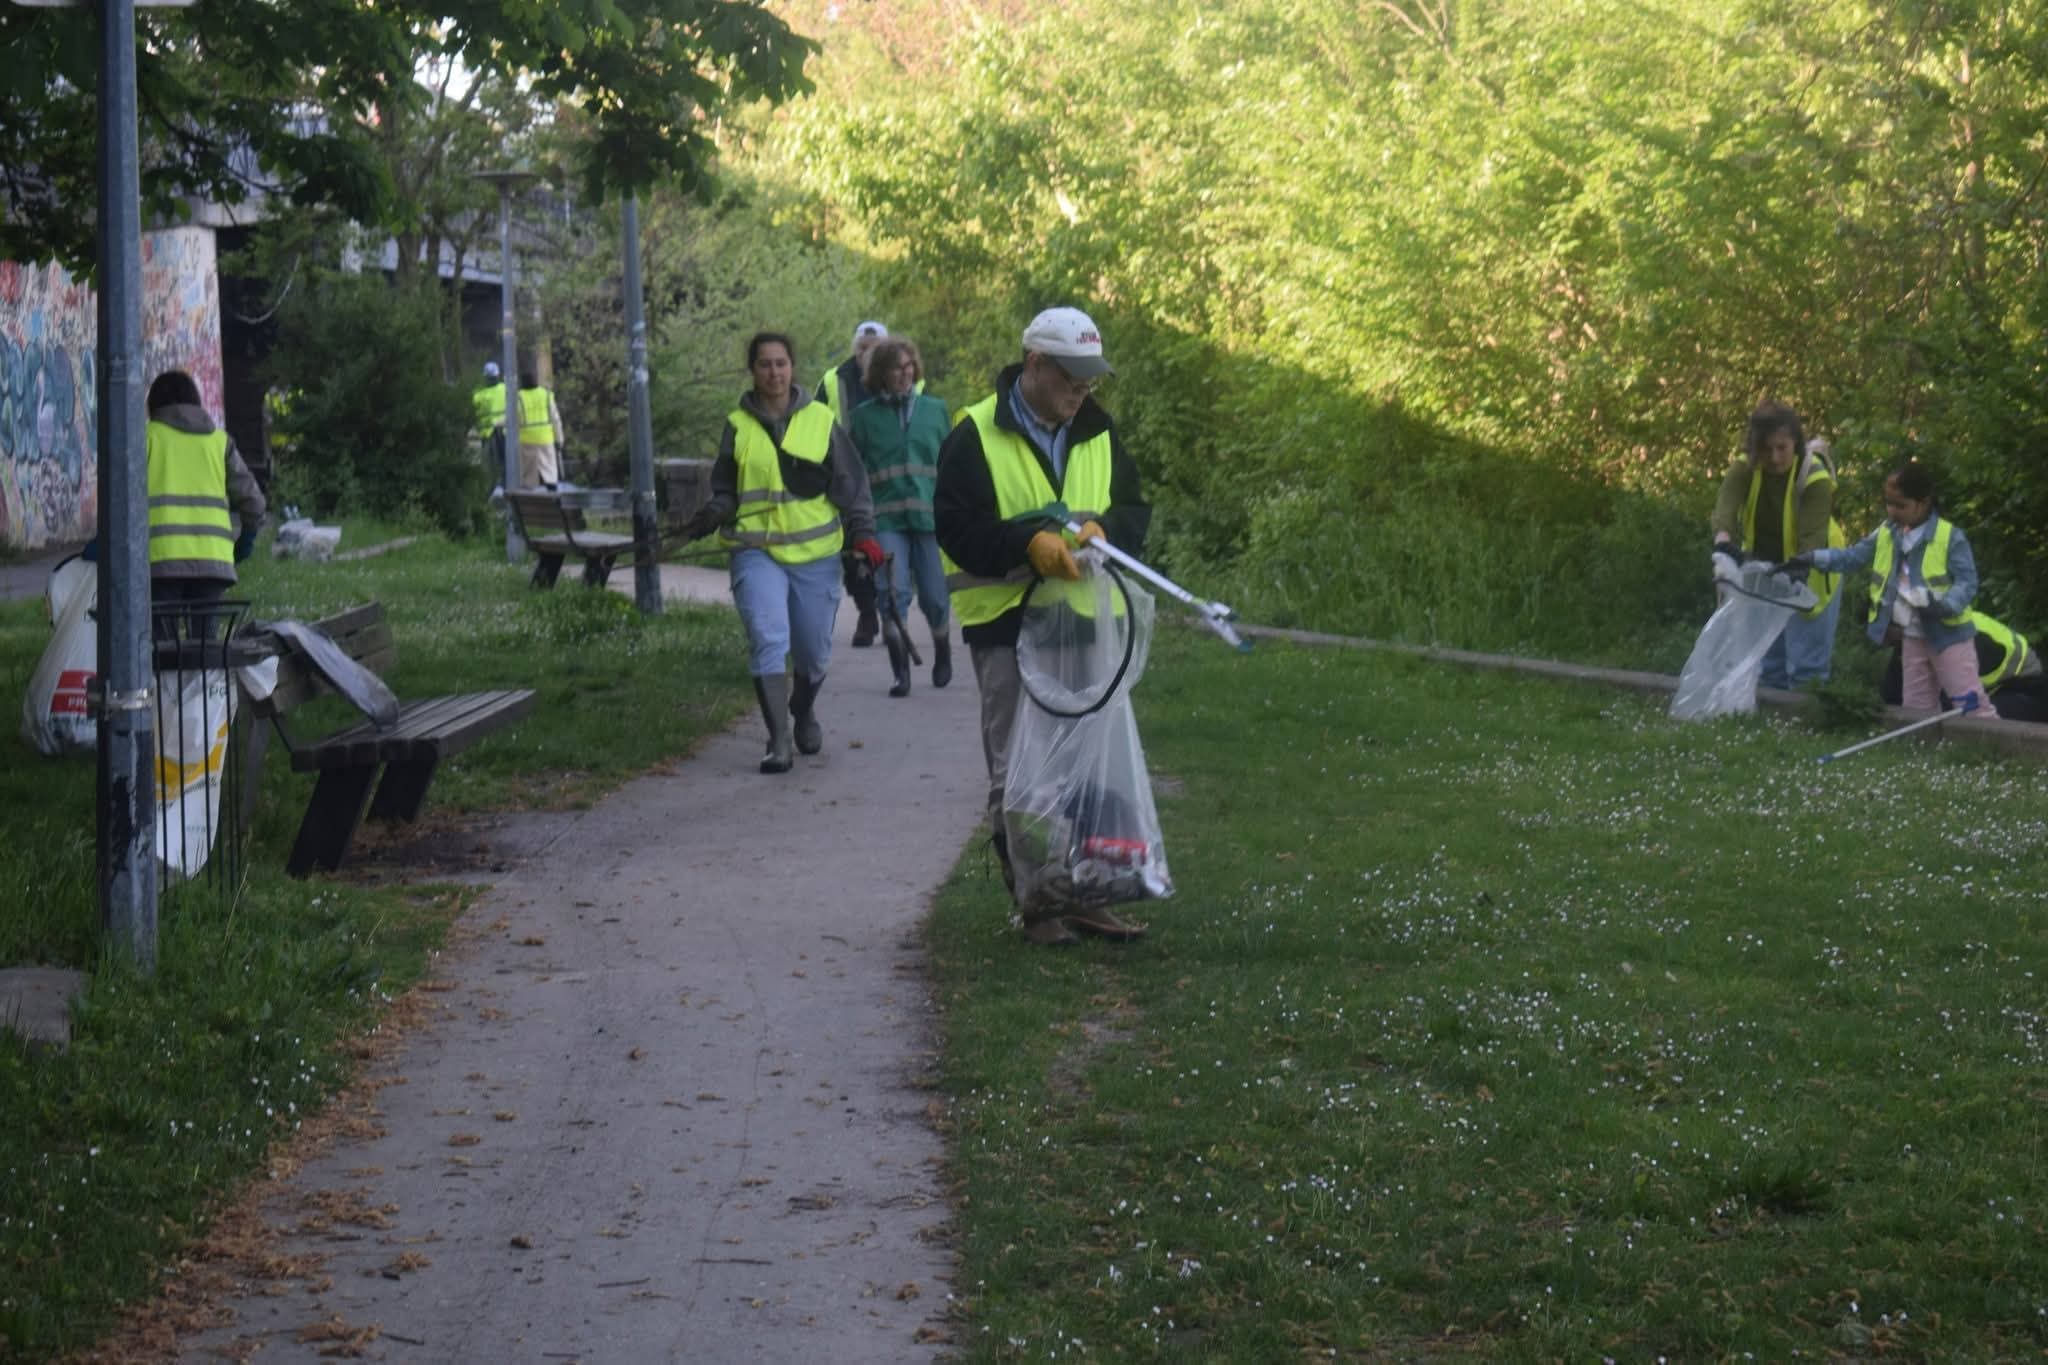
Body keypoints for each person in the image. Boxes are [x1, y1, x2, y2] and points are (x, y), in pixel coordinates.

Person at [934, 306, 1151, 946]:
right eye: (1071, 377)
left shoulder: (1099, 431)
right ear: (1035, 364)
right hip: (1005, 624)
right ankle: (1040, 905)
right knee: (1021, 772)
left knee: (1091, 766)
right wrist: (1024, 545)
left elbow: (1134, 508)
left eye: (1090, 378)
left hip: (1084, 621)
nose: (1082, 390)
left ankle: (1092, 894)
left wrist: (1109, 530)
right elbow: (955, 529)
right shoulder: (974, 434)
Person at [680, 332, 882, 773]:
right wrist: (713, 512)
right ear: (752, 370)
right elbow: (726, 488)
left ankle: (803, 710)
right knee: (768, 638)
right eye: (765, 364)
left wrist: (864, 534)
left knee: (813, 653)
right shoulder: (737, 425)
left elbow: (852, 486)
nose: (774, 372)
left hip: (816, 556)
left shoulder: (821, 420)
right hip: (756, 552)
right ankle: (777, 741)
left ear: (792, 367)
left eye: (781, 363)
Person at [1790, 462, 1998, 718]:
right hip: (1911, 636)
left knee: (1970, 703)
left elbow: (1967, 582)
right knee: (1915, 707)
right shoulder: (1886, 532)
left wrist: (1945, 605)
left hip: (1949, 636)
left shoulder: (1950, 536)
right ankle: (1921, 744)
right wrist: (1813, 558)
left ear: (1923, 503)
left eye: (1901, 505)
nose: (1892, 511)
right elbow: (1853, 557)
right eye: (1888, 503)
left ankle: (1990, 741)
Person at [1709, 403, 1844, 689]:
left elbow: (1812, 535)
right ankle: (1772, 714)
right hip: (1765, 566)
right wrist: (1723, 544)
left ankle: (1806, 714)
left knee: (1807, 666)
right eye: (1766, 449)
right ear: (1754, 447)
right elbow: (1725, 507)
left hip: (1813, 569)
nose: (1774, 457)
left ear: (1796, 442)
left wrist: (1800, 568)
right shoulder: (1746, 466)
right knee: (1768, 661)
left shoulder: (1814, 476)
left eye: (1782, 448)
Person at [848, 338, 954, 696]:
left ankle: (942, 649)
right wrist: (858, 525)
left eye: (909, 366)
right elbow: (854, 474)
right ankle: (901, 672)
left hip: (929, 520)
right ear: (881, 373)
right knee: (891, 594)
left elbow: (950, 464)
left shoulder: (936, 410)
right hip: (886, 521)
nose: (905, 373)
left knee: (936, 596)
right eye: (896, 367)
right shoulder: (863, 418)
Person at [145, 369, 266, 638]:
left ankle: (167, 668)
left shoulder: (146, 439)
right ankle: (204, 668)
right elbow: (253, 501)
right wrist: (247, 537)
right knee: (205, 648)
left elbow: (122, 503)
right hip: (213, 563)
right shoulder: (219, 442)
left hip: (160, 563)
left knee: (162, 648)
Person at [819, 320, 892, 647]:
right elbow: (815, 423)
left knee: (888, 546)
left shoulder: (903, 377)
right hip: (846, 475)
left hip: (890, 478)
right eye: (862, 348)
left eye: (875, 348)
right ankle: (867, 611)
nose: (867, 354)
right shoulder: (833, 380)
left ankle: (891, 610)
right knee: (852, 549)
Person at [1879, 608, 2046, 721]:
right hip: (1993, 690)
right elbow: (1892, 697)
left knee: (1961, 716)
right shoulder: (1914, 636)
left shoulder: (1957, 637)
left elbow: (1959, 696)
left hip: (2025, 690)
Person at [516, 368, 565, 490]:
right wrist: (559, 439)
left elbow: (516, 419)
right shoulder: (546, 395)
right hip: (546, 438)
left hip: (527, 439)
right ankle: (551, 487)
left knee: (528, 471)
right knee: (549, 467)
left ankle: (529, 491)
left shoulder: (518, 397)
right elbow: (556, 419)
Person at [471, 361, 506, 468]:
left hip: (490, 431)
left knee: (492, 463)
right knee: (503, 461)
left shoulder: (478, 393)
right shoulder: (505, 388)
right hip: (499, 430)